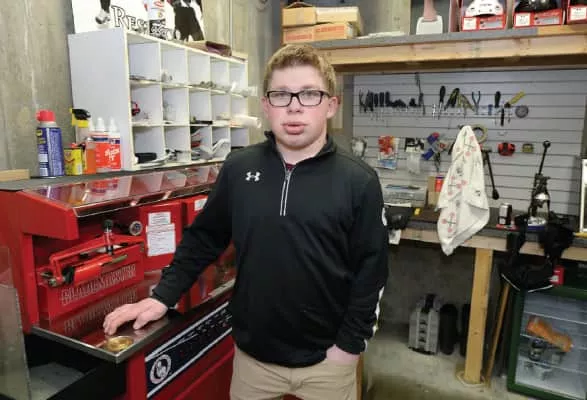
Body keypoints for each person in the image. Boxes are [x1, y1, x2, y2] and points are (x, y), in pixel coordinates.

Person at [103, 43, 389, 400]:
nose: (294, 106)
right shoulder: (239, 169)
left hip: (327, 363)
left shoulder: (358, 181)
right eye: (281, 95)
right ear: (266, 106)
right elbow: (204, 238)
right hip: (254, 360)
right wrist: (163, 297)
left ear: (331, 105)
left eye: (309, 94)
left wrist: (348, 348)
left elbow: (371, 272)